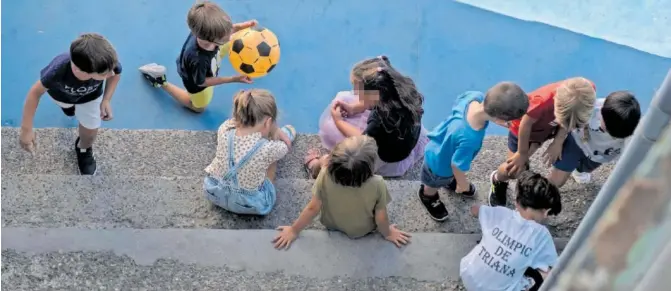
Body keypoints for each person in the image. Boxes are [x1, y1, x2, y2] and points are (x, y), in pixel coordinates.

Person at [273, 135, 411, 249]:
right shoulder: (377, 183)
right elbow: (381, 218)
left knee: (323, 161)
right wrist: (387, 234)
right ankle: (316, 163)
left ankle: (314, 164)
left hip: (331, 224)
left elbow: (312, 208)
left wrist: (293, 230)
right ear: (371, 167)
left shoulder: (325, 174)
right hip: (361, 231)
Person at [418, 83, 529, 222]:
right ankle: (428, 196)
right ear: (500, 119)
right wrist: (462, 184)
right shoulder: (470, 138)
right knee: (432, 184)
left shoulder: (474, 97)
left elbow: (460, 101)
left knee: (448, 175)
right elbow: (456, 165)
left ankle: (449, 182)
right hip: (439, 167)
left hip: (439, 145)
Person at [306, 55, 428, 178]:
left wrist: (339, 121)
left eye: (358, 91)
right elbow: (370, 102)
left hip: (385, 157)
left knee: (338, 143)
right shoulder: (399, 91)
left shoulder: (380, 121)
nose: (355, 93)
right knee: (346, 99)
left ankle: (317, 166)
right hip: (404, 138)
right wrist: (353, 108)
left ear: (373, 94)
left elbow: (363, 140)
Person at [19, 33, 122, 175]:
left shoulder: (105, 62)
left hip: (91, 97)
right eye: (105, 73)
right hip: (62, 97)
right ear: (80, 71)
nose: (111, 73)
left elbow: (116, 74)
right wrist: (26, 129)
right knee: (69, 110)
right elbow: (35, 93)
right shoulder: (57, 70)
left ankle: (84, 148)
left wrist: (106, 99)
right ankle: (70, 109)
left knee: (91, 131)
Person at [489, 78, 596, 207]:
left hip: (559, 128)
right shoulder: (541, 101)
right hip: (531, 129)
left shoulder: (587, 92)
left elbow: (571, 120)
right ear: (556, 104)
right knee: (514, 170)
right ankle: (497, 180)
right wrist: (522, 153)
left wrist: (558, 141)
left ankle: (532, 202)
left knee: (559, 181)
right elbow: (526, 123)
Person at [138, 1, 256, 112]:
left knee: (233, 40)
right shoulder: (200, 61)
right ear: (210, 40)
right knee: (199, 108)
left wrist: (242, 26)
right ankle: (161, 80)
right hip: (199, 83)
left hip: (204, 60)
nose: (230, 35)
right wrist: (233, 79)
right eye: (225, 36)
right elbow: (202, 82)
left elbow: (221, 28)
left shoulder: (202, 25)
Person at [460, 171, 562, 291]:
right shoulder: (541, 235)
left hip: (467, 273)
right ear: (546, 212)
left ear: (517, 202)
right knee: (542, 275)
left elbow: (474, 210)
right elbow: (552, 269)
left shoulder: (501, 213)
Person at [203, 89, 295, 215]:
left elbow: (234, 121)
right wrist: (278, 131)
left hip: (214, 192)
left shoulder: (224, 128)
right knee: (273, 157)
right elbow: (285, 145)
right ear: (269, 122)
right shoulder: (268, 149)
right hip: (249, 203)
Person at [546, 91, 641, 187]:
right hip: (577, 141)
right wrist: (557, 142)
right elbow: (569, 118)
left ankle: (580, 170)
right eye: (605, 123)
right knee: (557, 181)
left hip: (600, 154)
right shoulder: (591, 107)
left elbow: (629, 164)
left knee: (585, 168)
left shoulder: (634, 136)